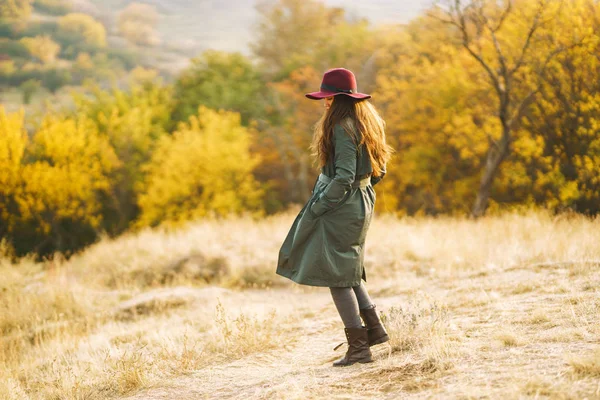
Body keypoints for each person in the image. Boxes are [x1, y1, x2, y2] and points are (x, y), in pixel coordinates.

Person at [276, 67, 394, 367]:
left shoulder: (342, 127)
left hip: (343, 206)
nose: (324, 102)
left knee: (337, 275)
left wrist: (319, 207)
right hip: (361, 201)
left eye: (327, 97)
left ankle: (359, 349)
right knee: (348, 267)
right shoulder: (367, 122)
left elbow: (343, 178)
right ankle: (375, 331)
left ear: (338, 99)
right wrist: (363, 191)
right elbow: (378, 170)